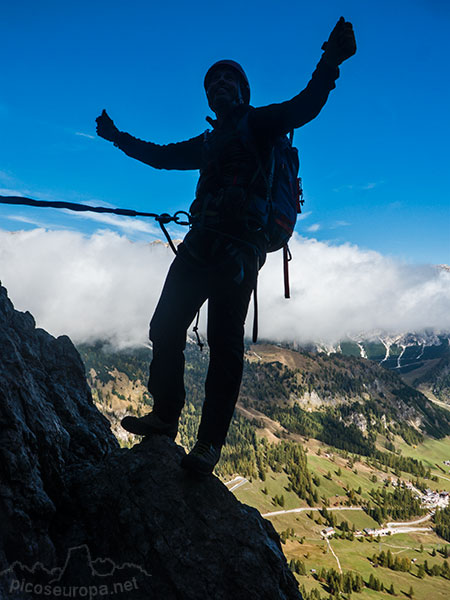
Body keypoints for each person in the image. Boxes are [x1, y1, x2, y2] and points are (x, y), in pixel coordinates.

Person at [96, 17, 356, 476]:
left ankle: (208, 445)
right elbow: (159, 156)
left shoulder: (260, 124)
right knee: (165, 326)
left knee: (223, 343)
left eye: (228, 79)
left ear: (243, 92)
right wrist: (117, 138)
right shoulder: (209, 142)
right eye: (213, 81)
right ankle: (166, 418)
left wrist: (330, 60)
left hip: (238, 249)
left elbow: (305, 106)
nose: (219, 84)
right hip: (204, 241)